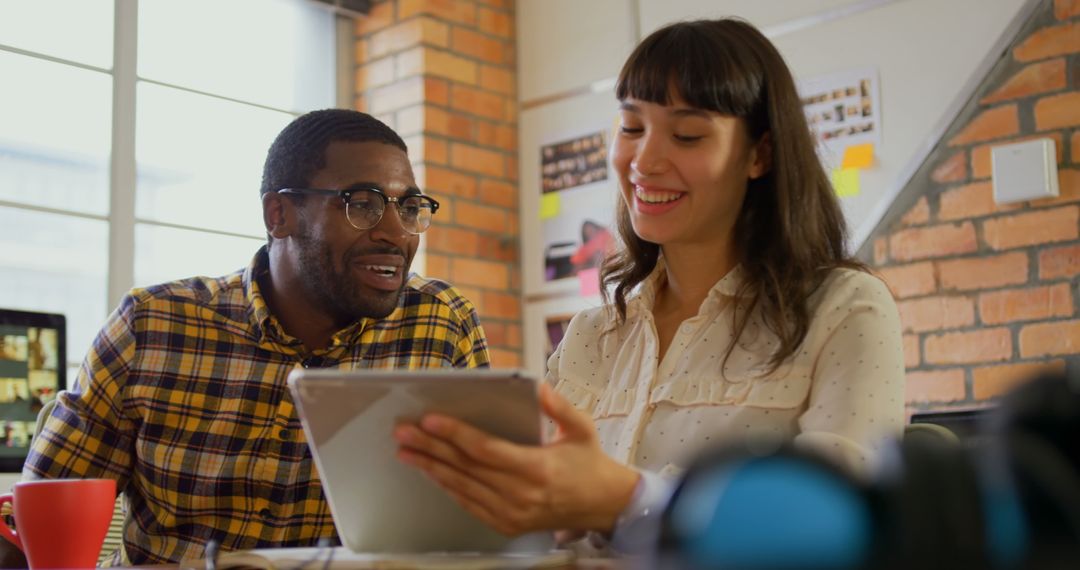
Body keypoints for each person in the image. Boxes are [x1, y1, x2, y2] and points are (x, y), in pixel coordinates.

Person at [394, 18, 905, 551]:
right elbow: (543, 523)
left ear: (760, 154)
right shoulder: (592, 335)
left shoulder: (845, 308)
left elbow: (845, 524)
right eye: (632, 128)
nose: (644, 161)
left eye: (687, 135)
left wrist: (624, 499)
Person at [4, 109, 490, 566]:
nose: (395, 232)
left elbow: (485, 518)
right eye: (361, 203)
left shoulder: (440, 326)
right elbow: (37, 525)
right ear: (278, 214)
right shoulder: (152, 326)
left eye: (409, 207)